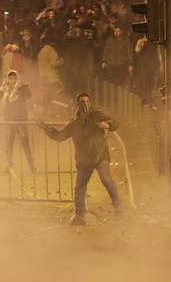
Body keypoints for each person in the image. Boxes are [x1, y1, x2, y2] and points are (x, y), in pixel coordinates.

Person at [37, 92, 120, 226]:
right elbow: (59, 136)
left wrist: (108, 125)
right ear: (78, 104)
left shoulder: (97, 115)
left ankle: (119, 210)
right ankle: (80, 216)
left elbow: (115, 122)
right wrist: (46, 128)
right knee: (80, 188)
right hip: (84, 160)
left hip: (100, 155)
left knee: (106, 180)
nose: (85, 104)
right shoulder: (74, 124)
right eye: (82, 101)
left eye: (87, 101)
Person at [0, 70, 36, 173]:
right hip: (10, 120)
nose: (12, 80)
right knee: (9, 144)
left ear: (17, 78)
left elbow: (29, 96)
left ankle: (32, 166)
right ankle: (9, 166)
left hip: (21, 120)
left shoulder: (22, 87)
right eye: (10, 78)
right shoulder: (5, 89)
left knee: (25, 143)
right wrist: (2, 88)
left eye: (14, 78)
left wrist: (24, 87)